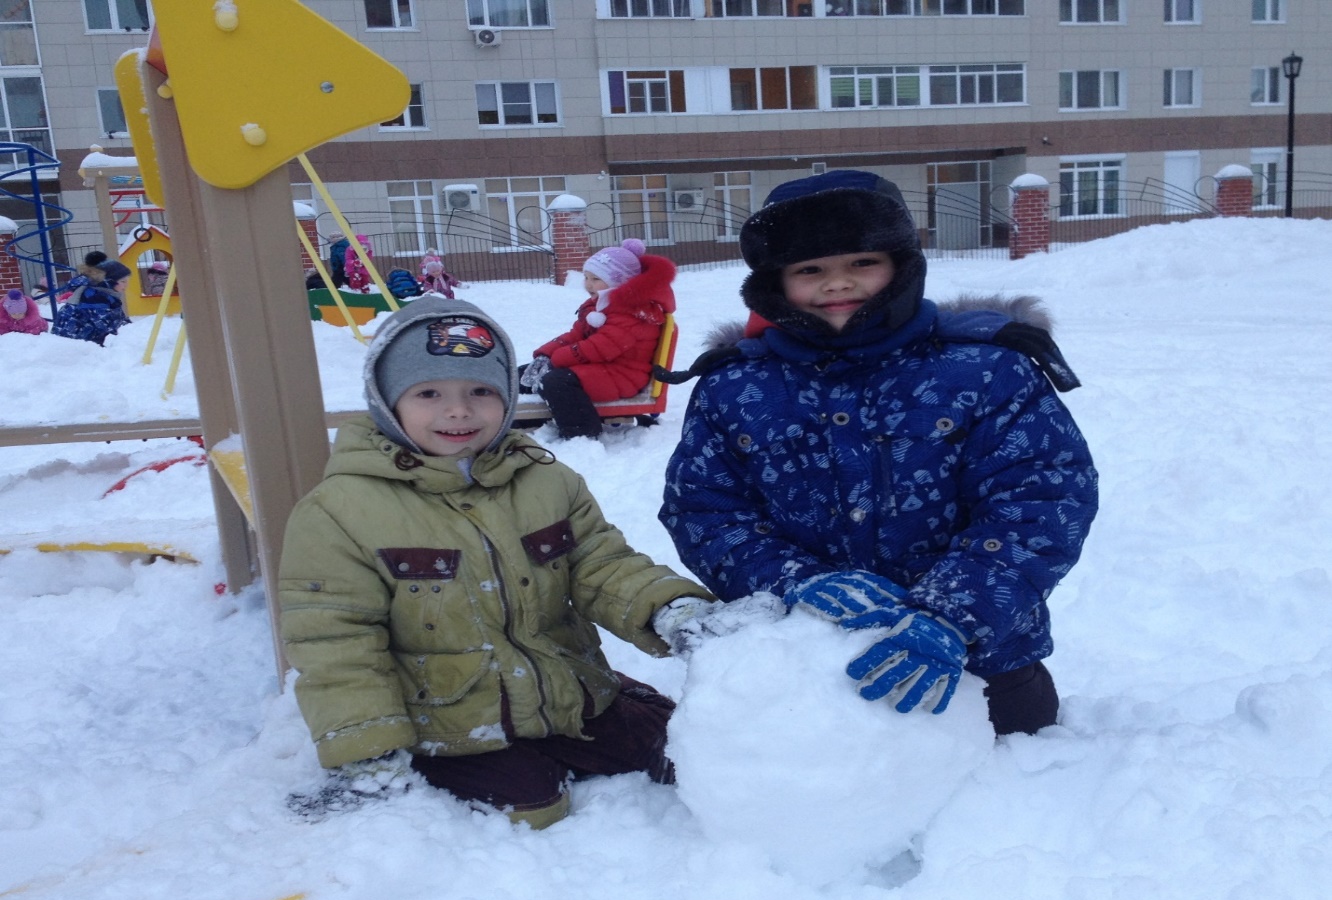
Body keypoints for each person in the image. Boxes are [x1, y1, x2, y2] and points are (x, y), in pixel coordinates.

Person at [659, 170, 1098, 737]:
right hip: (811, 653)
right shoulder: (735, 388)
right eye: (809, 270)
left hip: (985, 656)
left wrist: (952, 612)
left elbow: (1041, 499)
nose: (837, 284)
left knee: (1011, 795)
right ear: (775, 282)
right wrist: (794, 583)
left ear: (901, 264)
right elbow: (704, 509)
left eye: (861, 263)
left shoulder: (986, 371)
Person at [279, 297, 723, 829]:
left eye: (481, 392)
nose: (459, 410)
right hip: (450, 715)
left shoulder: (546, 481)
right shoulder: (340, 512)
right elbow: (337, 641)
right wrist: (367, 748)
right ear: (386, 401)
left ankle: (617, 704)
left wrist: (668, 607)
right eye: (428, 393)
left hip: (563, 696)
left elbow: (602, 565)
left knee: (684, 751)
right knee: (533, 806)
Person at [520, 238, 675, 440]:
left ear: (619, 281)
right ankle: (524, 418)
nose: (588, 285)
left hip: (624, 373)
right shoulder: (602, 303)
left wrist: (558, 359)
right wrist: (545, 353)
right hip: (605, 367)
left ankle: (581, 434)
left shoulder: (635, 311)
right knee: (526, 372)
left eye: (595, 279)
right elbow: (577, 334)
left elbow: (602, 347)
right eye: (586, 277)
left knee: (558, 381)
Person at [50, 259, 132, 345]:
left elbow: (119, 320)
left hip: (84, 343)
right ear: (108, 282)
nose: (126, 285)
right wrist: (134, 330)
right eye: (123, 281)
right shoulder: (93, 297)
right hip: (72, 347)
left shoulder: (105, 295)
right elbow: (109, 325)